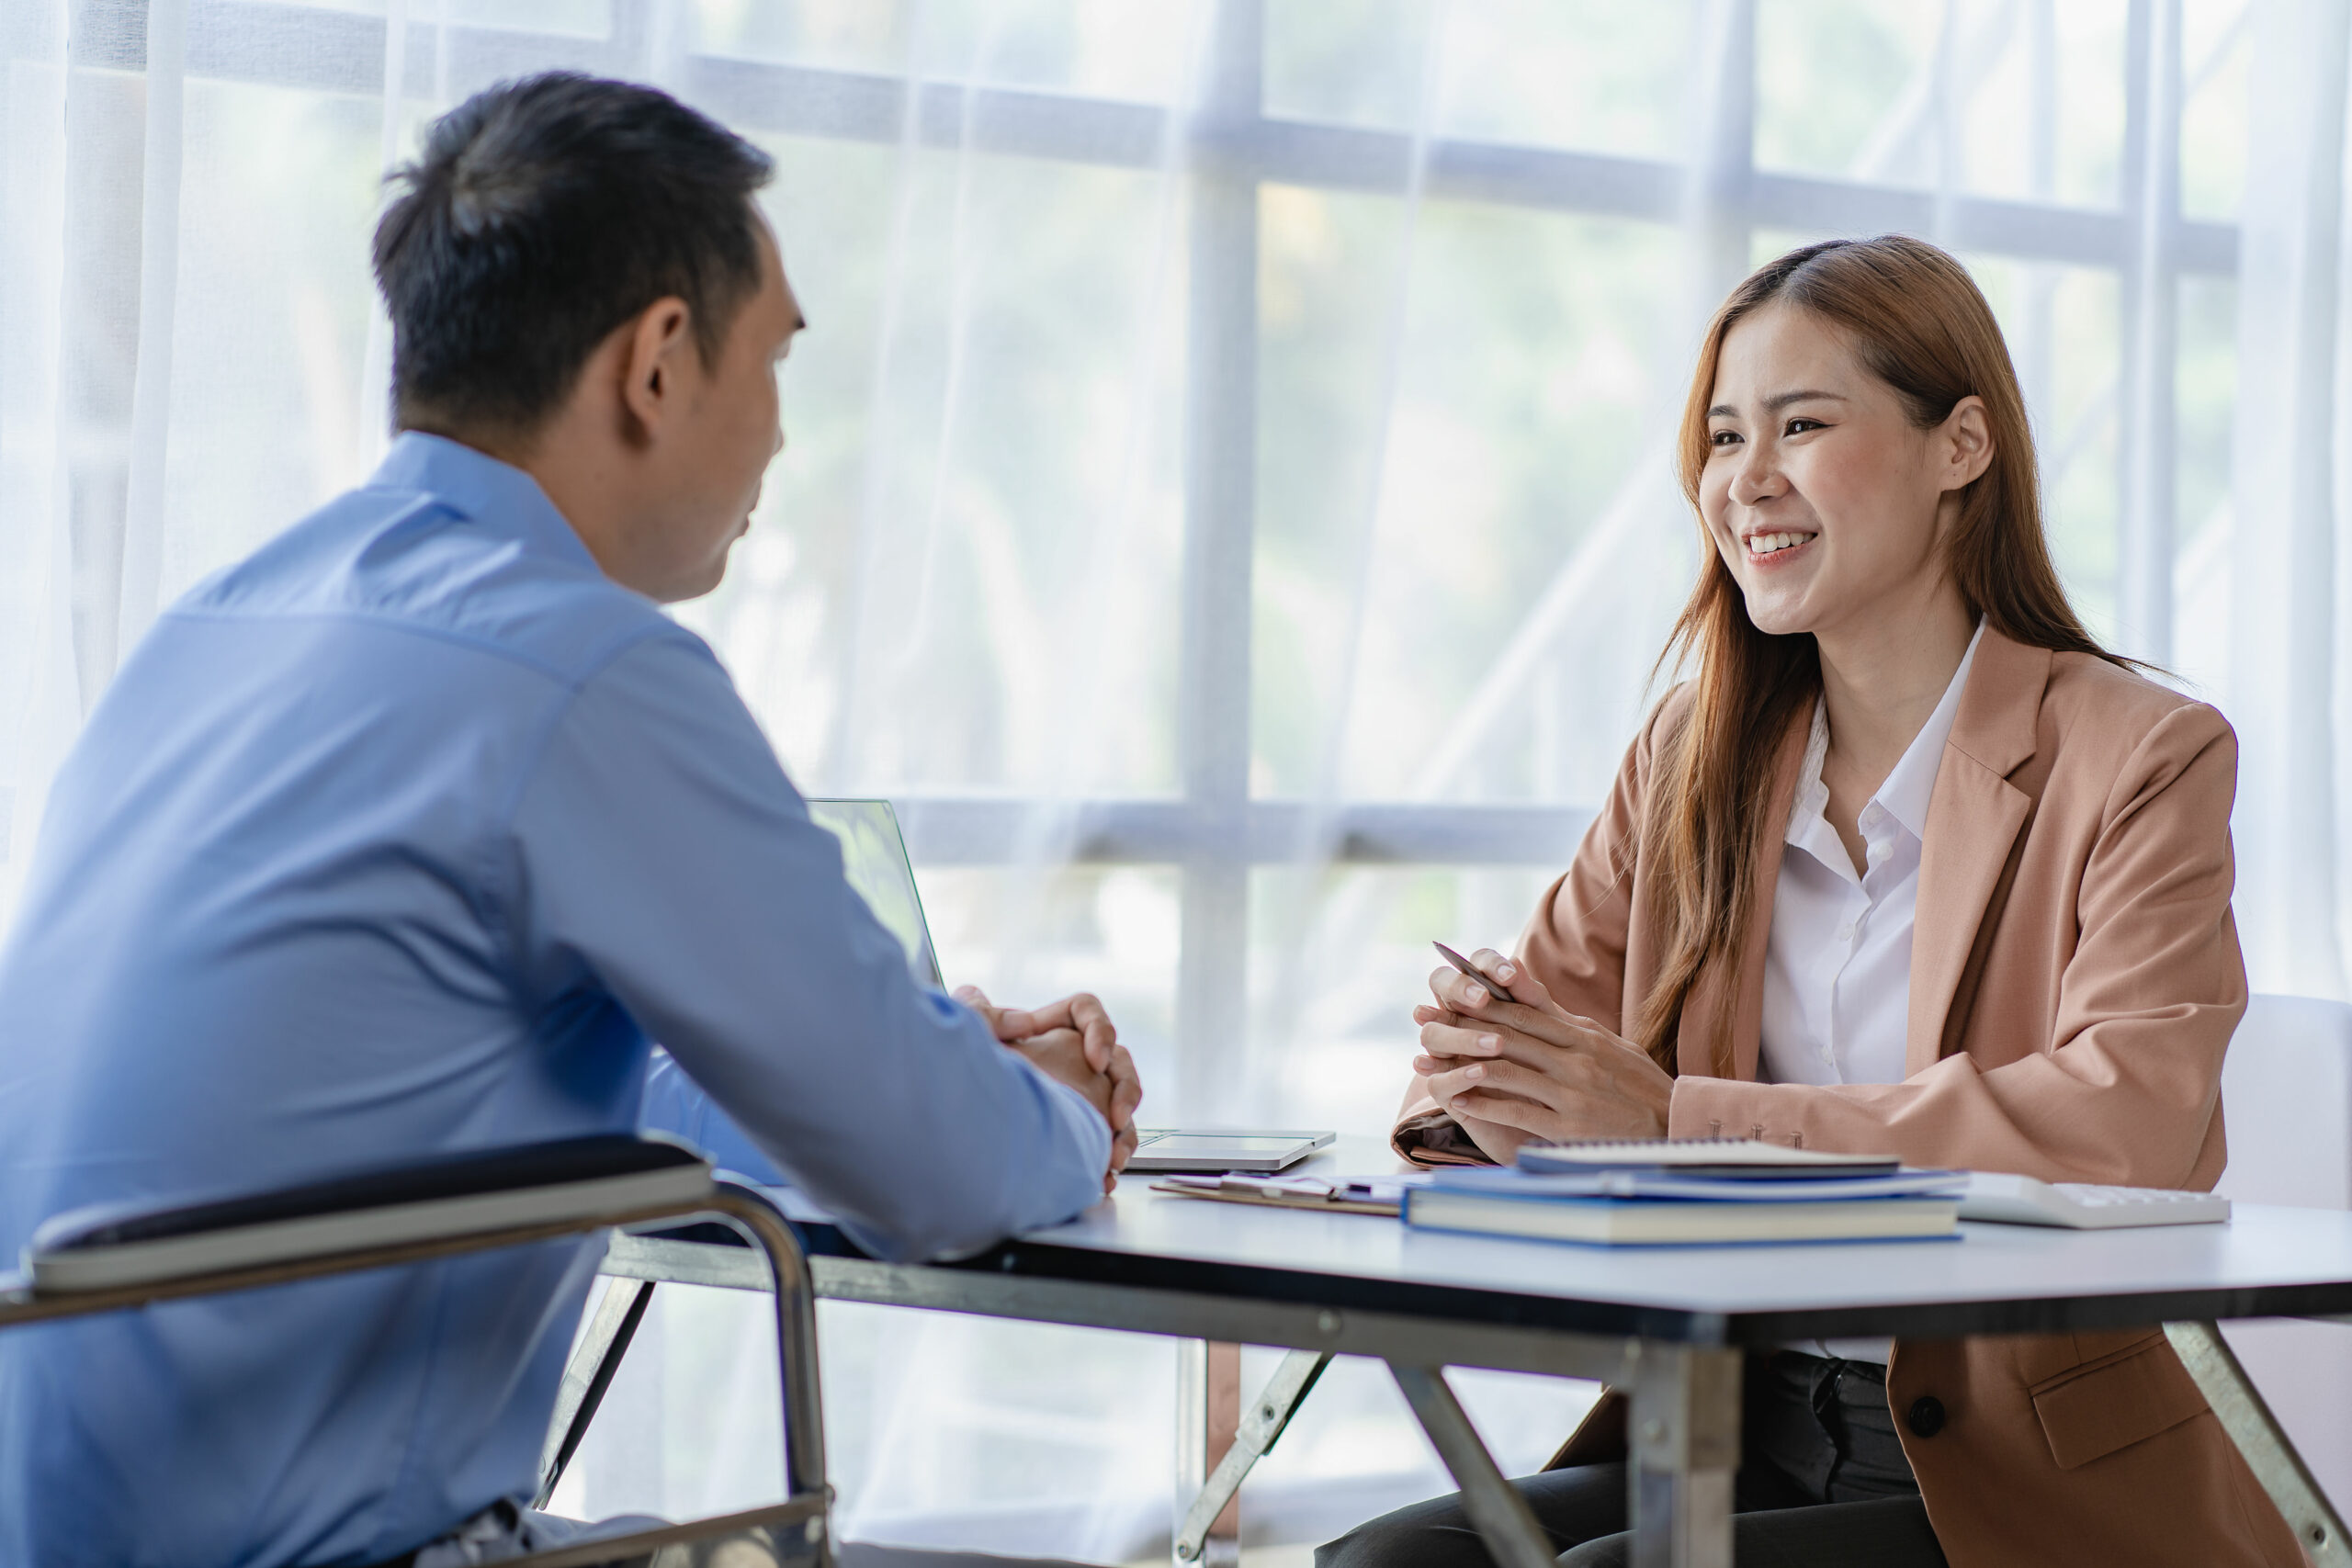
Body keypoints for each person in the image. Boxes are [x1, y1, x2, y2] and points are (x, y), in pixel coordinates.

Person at [0, 73, 1139, 1568]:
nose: (785, 438)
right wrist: (1057, 1110)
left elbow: (528, 1100)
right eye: (776, 362)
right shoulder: (580, 668)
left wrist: (919, 1063)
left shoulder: (217, 628)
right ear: (658, 363)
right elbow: (941, 1178)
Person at [1321, 236, 2302, 1568]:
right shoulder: (1695, 754)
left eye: (1801, 425)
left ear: (1961, 447)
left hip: (2026, 1481)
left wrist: (1676, 1121)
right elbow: (1495, 1081)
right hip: (1743, 1420)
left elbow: (2125, 1122)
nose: (1747, 481)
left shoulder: (2141, 752)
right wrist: (1492, 1068)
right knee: (1395, 1563)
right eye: (1725, 438)